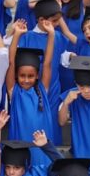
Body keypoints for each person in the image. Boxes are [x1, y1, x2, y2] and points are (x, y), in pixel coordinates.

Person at [5, 19, 58, 150]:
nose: (26, 80)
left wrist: (51, 34)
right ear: (16, 75)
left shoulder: (42, 89)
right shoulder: (14, 91)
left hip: (41, 147)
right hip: (21, 146)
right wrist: (16, 35)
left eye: (31, 76)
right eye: (22, 76)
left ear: (37, 76)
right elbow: (11, 62)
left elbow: (47, 63)